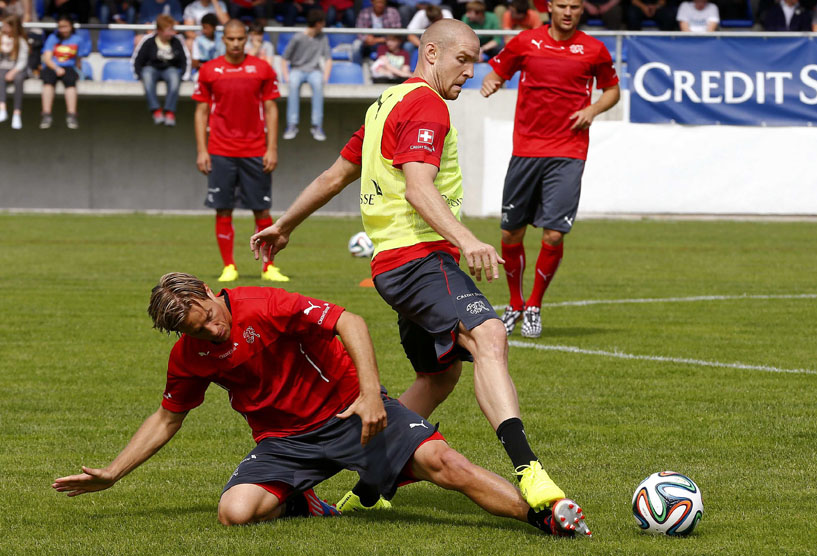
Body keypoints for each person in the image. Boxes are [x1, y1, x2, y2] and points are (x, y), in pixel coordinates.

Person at [250, 19, 591, 531]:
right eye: (464, 60)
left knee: (438, 376)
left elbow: (335, 175)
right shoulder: (426, 104)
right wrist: (468, 239)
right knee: (490, 334)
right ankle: (530, 471)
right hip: (419, 259)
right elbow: (418, 188)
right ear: (431, 53)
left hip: (393, 265)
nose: (471, 73)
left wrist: (285, 224)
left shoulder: (384, 103)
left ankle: (367, 490)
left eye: (476, 62)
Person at [52, 272, 588, 537]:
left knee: (446, 465)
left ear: (211, 293)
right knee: (234, 513)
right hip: (283, 443)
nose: (213, 331)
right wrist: (114, 474)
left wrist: (368, 395)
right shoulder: (191, 354)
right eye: (198, 331)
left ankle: (544, 518)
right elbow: (168, 416)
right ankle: (302, 498)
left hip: (350, 413)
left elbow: (349, 321)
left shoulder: (263, 302)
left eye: (209, 318)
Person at [480, 0, 619, 339]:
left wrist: (593, 109)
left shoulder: (594, 49)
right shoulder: (526, 41)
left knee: (554, 233)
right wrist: (492, 81)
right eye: (562, 5)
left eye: (574, 6)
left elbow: (612, 90)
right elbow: (498, 70)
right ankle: (514, 302)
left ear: (581, 10)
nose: (568, 12)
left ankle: (534, 307)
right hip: (526, 149)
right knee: (511, 233)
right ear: (551, 8)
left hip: (569, 151)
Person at [193, 19, 288, 283]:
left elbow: (271, 109)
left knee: (261, 210)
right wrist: (202, 150)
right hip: (220, 150)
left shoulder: (262, 68)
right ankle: (229, 266)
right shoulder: (209, 70)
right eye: (230, 39)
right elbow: (200, 112)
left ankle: (268, 267)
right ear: (223, 39)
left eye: (240, 39)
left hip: (255, 150)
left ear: (246, 40)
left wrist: (272, 148)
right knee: (223, 209)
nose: (235, 43)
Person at [281, 9, 332, 142]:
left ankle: (317, 125)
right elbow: (284, 58)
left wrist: (325, 77)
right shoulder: (298, 37)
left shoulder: (323, 38)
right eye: (323, 22)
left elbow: (328, 59)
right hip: (297, 69)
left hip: (314, 71)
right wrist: (286, 76)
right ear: (318, 23)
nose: (324, 25)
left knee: (318, 84)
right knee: (293, 83)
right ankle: (291, 125)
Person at [132, 14, 190, 126]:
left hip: (169, 69)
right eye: (169, 30)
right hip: (152, 69)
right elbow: (137, 60)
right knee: (147, 73)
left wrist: (184, 76)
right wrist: (139, 75)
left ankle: (169, 111)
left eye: (173, 29)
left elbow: (185, 60)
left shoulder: (177, 41)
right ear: (159, 30)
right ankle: (156, 110)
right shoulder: (148, 41)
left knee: (174, 76)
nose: (173, 33)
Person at [39, 15, 82, 130]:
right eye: (60, 27)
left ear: (71, 27)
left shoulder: (77, 40)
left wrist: (80, 72)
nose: (62, 29)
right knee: (48, 82)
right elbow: (47, 58)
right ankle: (46, 114)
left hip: (68, 68)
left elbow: (78, 59)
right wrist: (56, 68)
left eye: (65, 26)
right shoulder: (53, 38)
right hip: (52, 66)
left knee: (70, 82)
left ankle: (72, 115)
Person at [0, 14, 27, 130]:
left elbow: (22, 61)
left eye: (6, 26)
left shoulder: (21, 42)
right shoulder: (1, 39)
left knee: (19, 79)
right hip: (3, 68)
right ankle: (2, 108)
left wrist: (13, 72)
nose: (4, 28)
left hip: (18, 69)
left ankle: (17, 113)